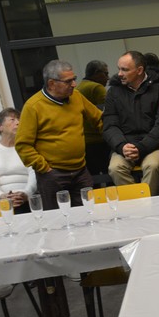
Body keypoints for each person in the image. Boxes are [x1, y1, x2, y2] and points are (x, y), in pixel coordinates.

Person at [15, 60, 103, 210]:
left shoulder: (77, 97)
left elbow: (99, 120)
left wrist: (117, 140)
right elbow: (22, 145)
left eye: (74, 79)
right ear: (51, 84)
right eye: (68, 81)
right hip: (53, 174)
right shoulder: (33, 106)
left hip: (81, 170)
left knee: (88, 214)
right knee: (57, 218)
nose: (74, 84)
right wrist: (44, 168)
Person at [102, 51, 159, 196]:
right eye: (119, 69)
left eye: (125, 69)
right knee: (115, 168)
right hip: (125, 145)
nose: (119, 74)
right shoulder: (113, 92)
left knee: (152, 165)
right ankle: (136, 203)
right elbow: (109, 125)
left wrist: (142, 147)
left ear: (140, 70)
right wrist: (121, 146)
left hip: (156, 145)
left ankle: (148, 203)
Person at [0, 108, 37, 214]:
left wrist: (26, 193)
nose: (18, 123)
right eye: (12, 120)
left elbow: (34, 173)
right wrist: (1, 196)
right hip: (1, 201)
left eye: (19, 120)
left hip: (27, 198)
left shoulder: (27, 147)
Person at [76, 59, 110, 175]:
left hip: (84, 142)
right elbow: (108, 113)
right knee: (109, 176)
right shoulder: (96, 87)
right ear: (96, 73)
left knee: (93, 177)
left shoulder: (78, 88)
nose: (108, 78)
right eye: (105, 74)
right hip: (99, 140)